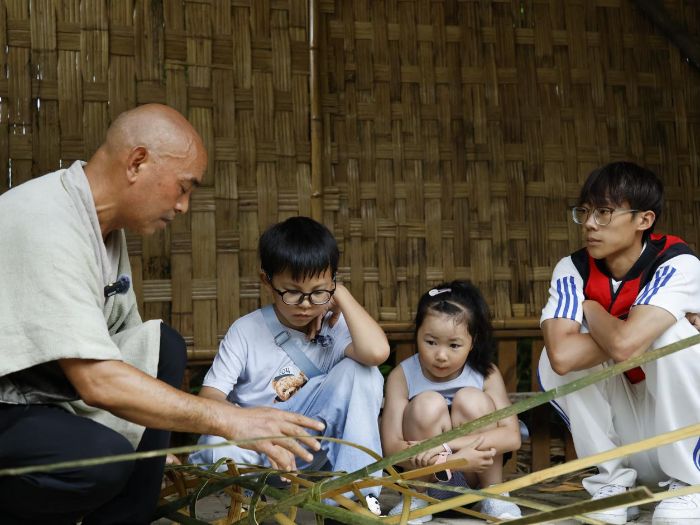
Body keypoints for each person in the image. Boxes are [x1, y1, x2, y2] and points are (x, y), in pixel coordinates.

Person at [0, 104, 325, 525]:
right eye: (183, 187)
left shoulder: (100, 229)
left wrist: (152, 443)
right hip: (9, 403)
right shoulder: (47, 223)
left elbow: (129, 348)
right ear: (137, 162)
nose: (183, 205)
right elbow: (98, 381)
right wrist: (229, 419)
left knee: (162, 347)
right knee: (100, 461)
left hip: (36, 398)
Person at [188, 216, 390, 515]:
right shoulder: (246, 331)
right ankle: (247, 499)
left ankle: (354, 497)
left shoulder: (334, 325)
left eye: (318, 292)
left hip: (308, 451)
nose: (306, 304)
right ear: (267, 280)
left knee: (362, 372)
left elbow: (376, 352)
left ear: (333, 283)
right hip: (253, 451)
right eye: (293, 292)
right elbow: (210, 398)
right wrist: (251, 424)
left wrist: (342, 296)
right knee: (217, 443)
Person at [539, 161, 700, 525]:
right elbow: (562, 356)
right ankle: (611, 485)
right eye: (585, 212)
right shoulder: (573, 268)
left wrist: (591, 309)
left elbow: (625, 345)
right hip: (629, 439)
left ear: (644, 220)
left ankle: (691, 485)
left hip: (681, 436)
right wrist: (635, 329)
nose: (590, 224)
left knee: (673, 335)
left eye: (604, 213)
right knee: (550, 357)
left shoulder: (677, 261)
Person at [380, 281, 522, 523]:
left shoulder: (485, 374)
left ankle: (495, 496)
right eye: (430, 342)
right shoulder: (402, 376)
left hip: (476, 477)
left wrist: (444, 446)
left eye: (454, 345)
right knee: (426, 404)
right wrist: (451, 460)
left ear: (473, 341)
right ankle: (416, 499)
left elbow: (511, 437)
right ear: (417, 334)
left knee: (471, 399)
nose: (441, 355)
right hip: (426, 481)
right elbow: (391, 449)